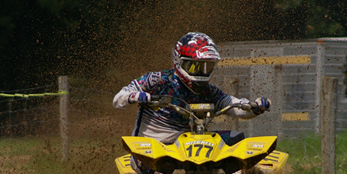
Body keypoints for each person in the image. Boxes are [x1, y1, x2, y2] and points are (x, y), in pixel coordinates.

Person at [113, 32, 271, 145]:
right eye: (195, 66)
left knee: (237, 139)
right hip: (153, 145)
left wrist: (255, 106)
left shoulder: (209, 91)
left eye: (207, 66)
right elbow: (118, 99)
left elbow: (234, 106)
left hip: (188, 144)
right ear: (179, 62)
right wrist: (136, 96)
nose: (202, 72)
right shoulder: (158, 80)